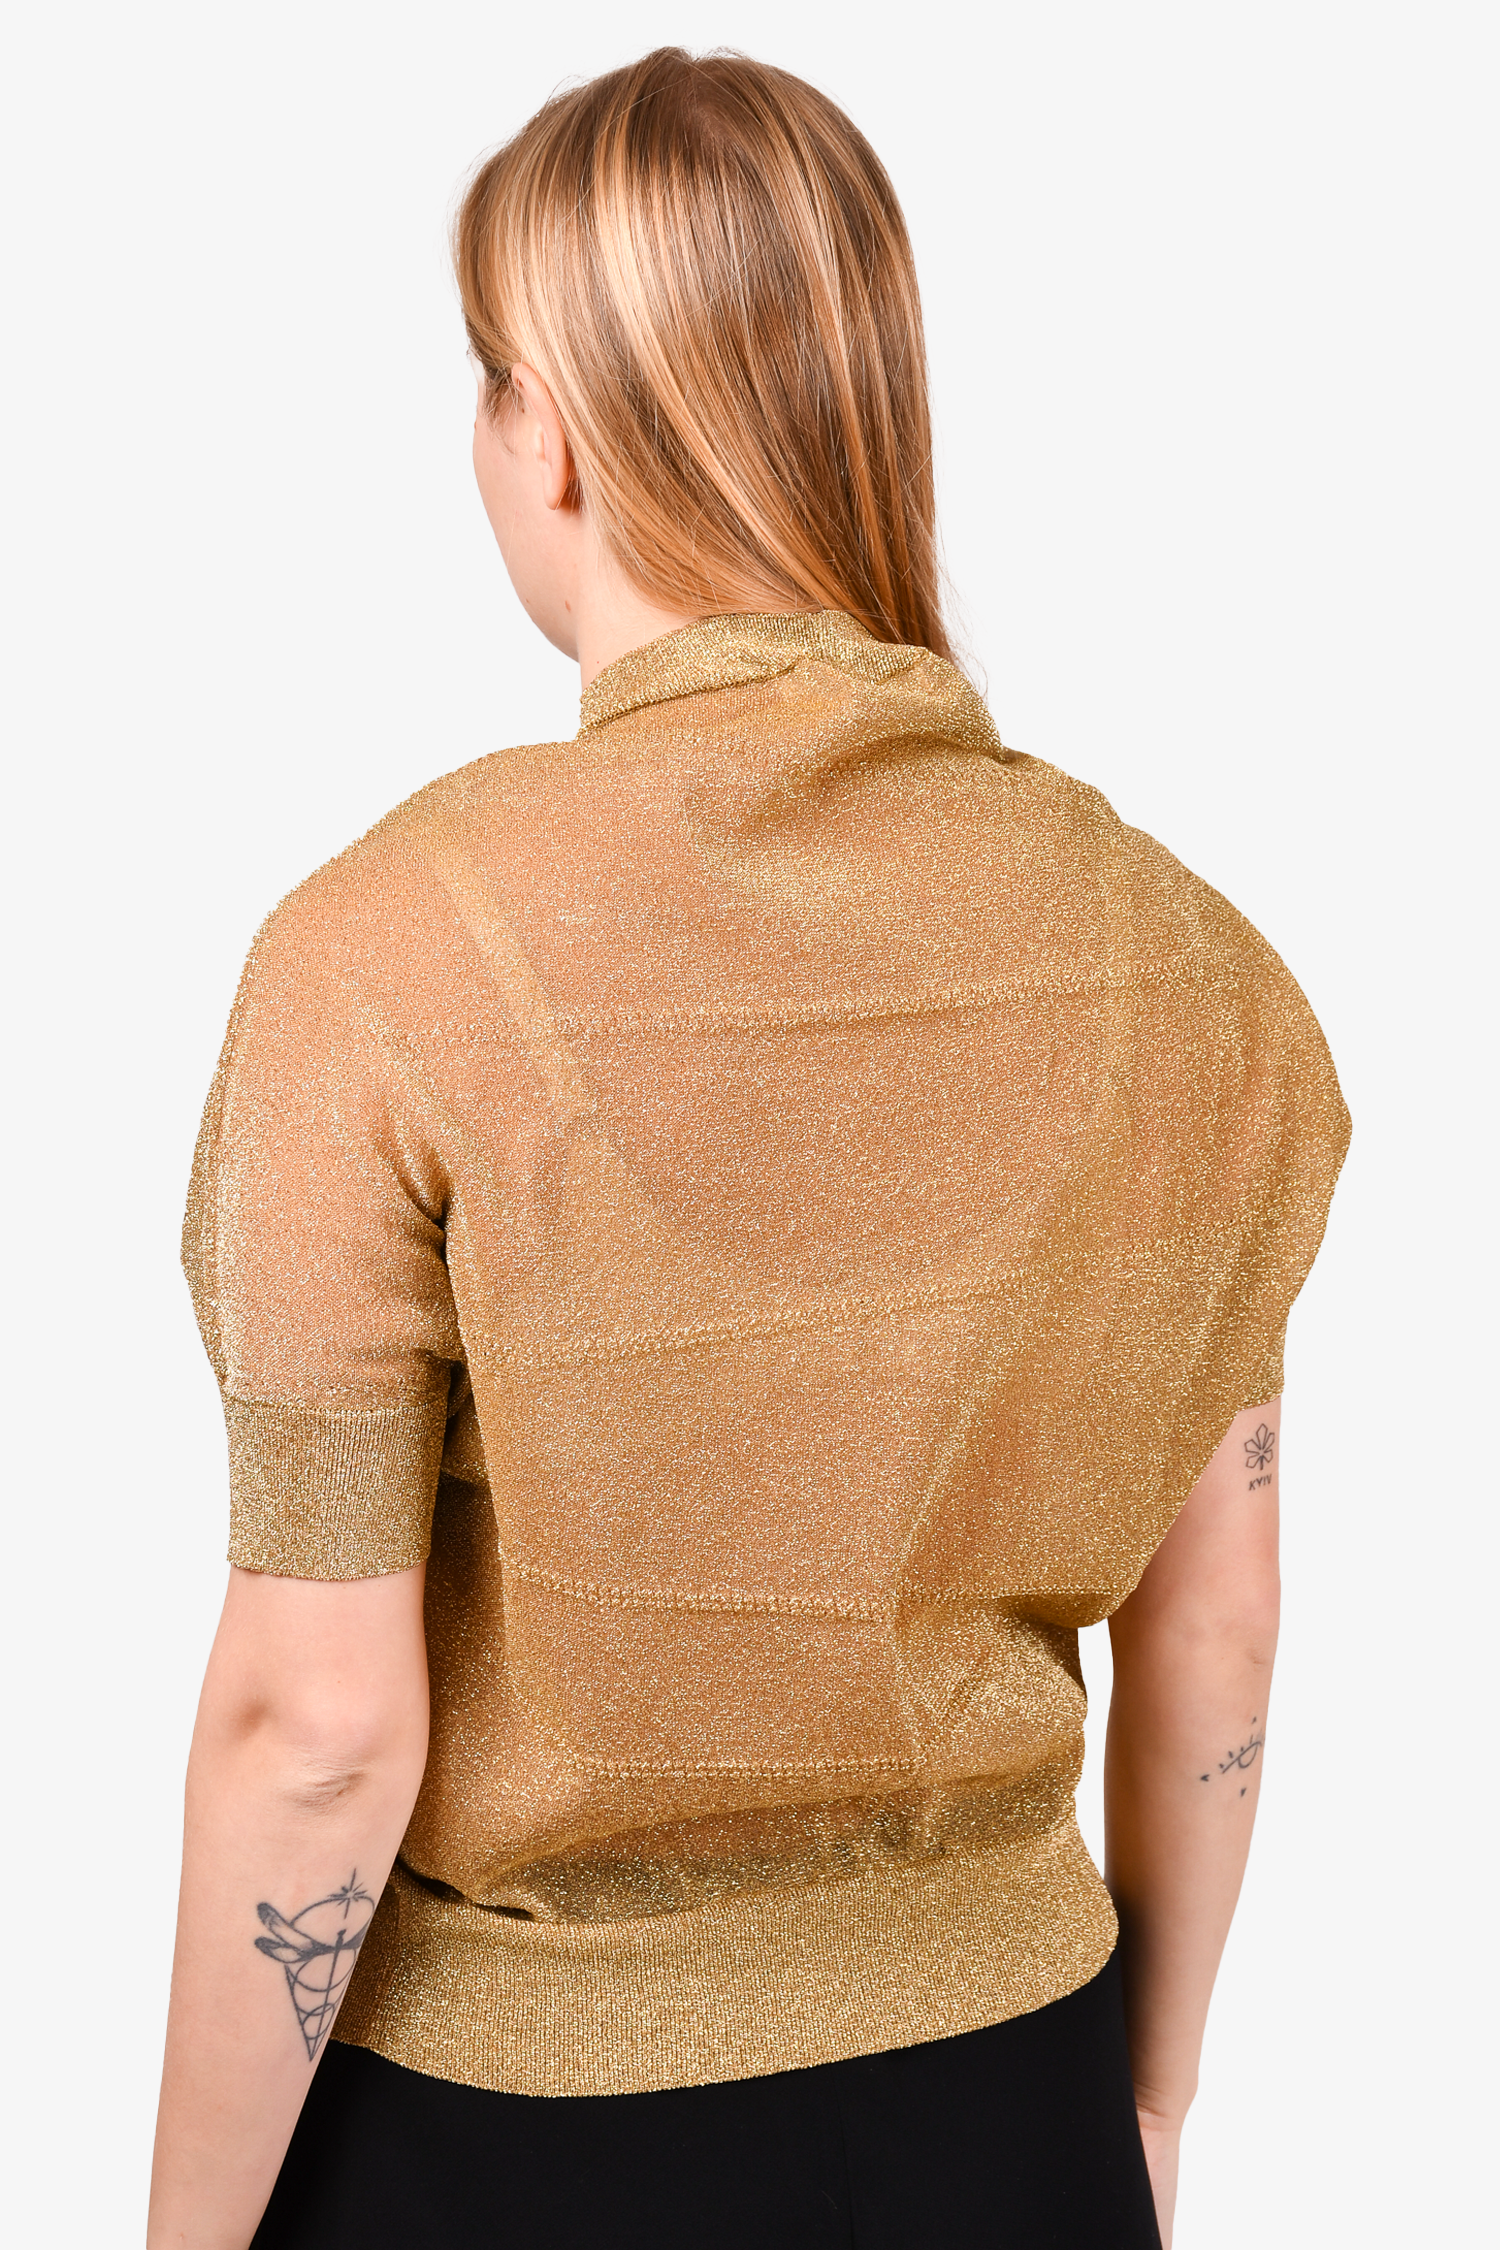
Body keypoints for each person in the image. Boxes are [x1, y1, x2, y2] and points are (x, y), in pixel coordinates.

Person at [147, 46, 1348, 2250]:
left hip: (507, 2145)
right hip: (1015, 2112)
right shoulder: (1199, 980)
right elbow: (1223, 1628)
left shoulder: (381, 960)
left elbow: (314, 1731)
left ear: (551, 432)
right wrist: (1147, 2104)